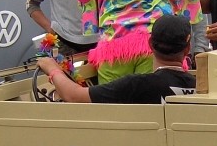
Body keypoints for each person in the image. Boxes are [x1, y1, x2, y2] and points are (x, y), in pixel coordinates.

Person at [37, 14, 195, 104]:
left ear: (150, 44)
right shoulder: (198, 85)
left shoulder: (136, 85)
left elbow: (74, 96)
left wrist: (53, 69)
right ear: (187, 49)